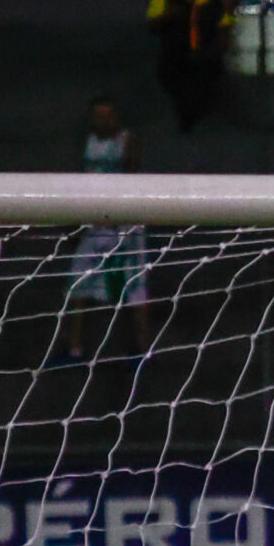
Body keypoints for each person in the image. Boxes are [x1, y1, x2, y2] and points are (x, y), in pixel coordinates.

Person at [62, 97, 153, 364]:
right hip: (94, 224)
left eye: (108, 115)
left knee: (135, 287)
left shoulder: (128, 141)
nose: (103, 120)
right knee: (78, 282)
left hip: (124, 224)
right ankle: (75, 350)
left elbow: (133, 176)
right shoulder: (87, 142)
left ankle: (144, 350)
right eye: (98, 115)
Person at [146, 0, 229, 133]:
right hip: (173, 57)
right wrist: (168, 15)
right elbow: (152, 24)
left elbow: (225, 26)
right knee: (177, 88)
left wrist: (218, 49)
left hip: (204, 56)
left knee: (207, 89)